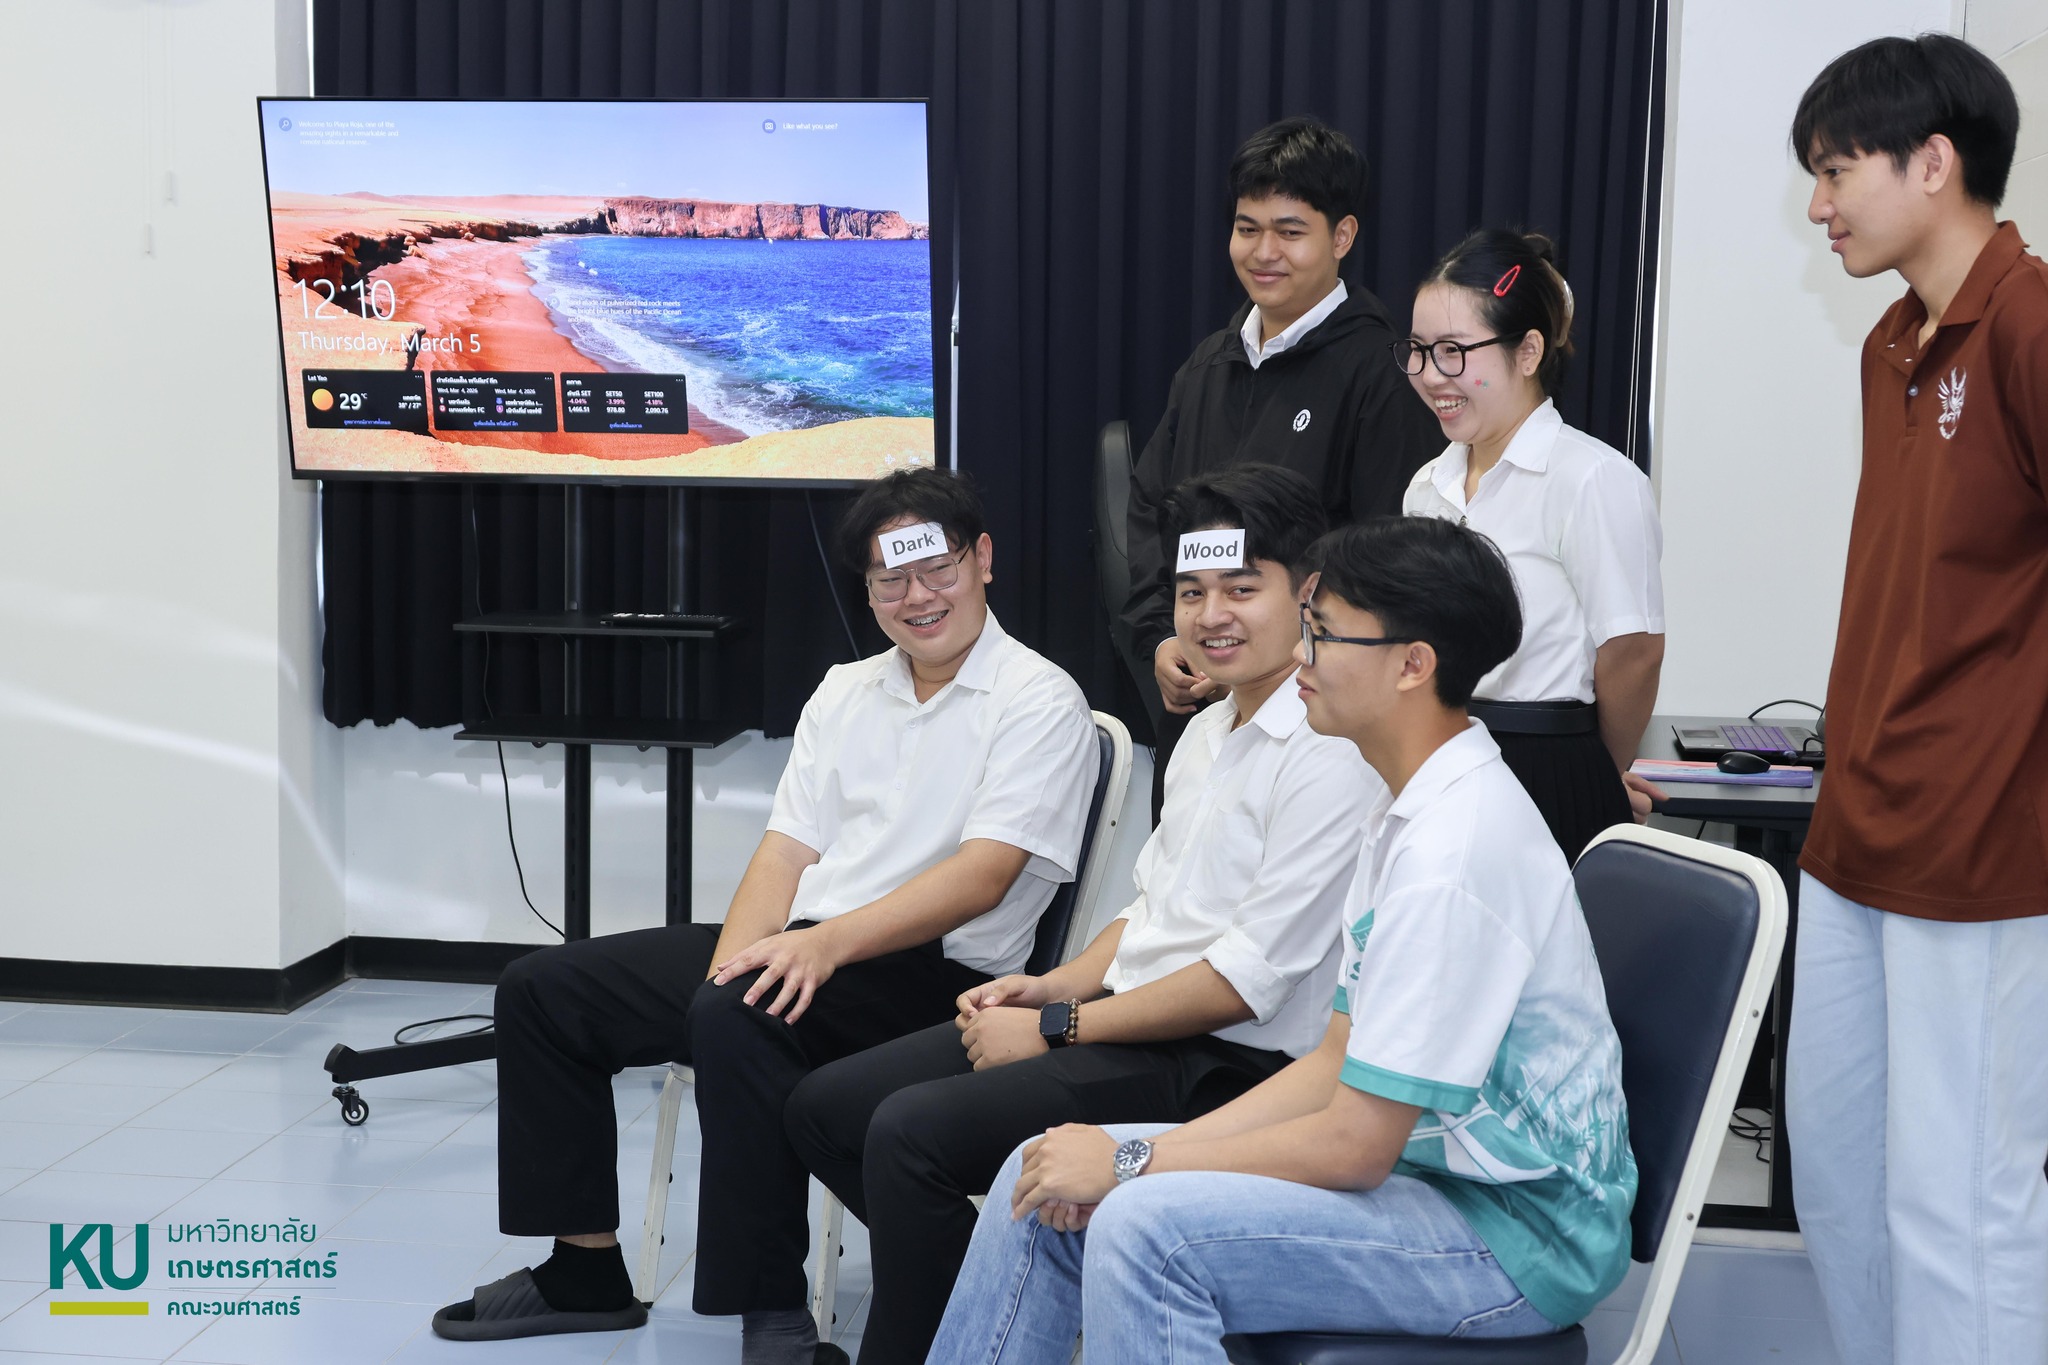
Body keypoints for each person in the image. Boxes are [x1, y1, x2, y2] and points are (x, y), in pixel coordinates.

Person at [929, 516, 1637, 1364]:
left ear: (1414, 664)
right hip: (1433, 1180)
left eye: (1324, 634)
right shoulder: (1406, 805)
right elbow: (1335, 1061)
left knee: (1145, 1228)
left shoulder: (1452, 853)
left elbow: (1357, 1145)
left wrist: (1132, 1161)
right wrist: (1127, 1154)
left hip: (1514, 1236)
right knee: (1039, 1169)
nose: (1301, 655)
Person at [431, 468, 1099, 1365]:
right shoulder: (845, 690)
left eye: (936, 569)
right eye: (890, 579)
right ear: (868, 590)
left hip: (937, 973)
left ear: (982, 559)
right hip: (812, 946)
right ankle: (582, 1269)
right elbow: (785, 852)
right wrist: (734, 962)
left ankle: (774, 1321)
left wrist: (808, 952)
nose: (917, 597)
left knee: (739, 1012)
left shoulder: (1038, 697)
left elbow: (984, 876)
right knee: (546, 989)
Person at [783, 465, 1376, 1365]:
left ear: (1308, 591)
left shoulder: (1329, 747)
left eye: (1240, 588)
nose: (1210, 614)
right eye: (1190, 591)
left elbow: (1243, 983)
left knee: (908, 1135)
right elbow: (1151, 910)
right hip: (1132, 1024)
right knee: (827, 1107)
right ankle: (990, 1306)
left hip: (1229, 1065)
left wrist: (1059, 1026)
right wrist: (1050, 985)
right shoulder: (1209, 730)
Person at [1785, 34, 2048, 1365]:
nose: (1817, 205)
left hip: (1983, 845)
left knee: (1963, 1204)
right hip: (1857, 826)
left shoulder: (2034, 324)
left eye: (1837, 171)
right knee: (1843, 1186)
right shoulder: (1893, 339)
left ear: (1932, 163)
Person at [1122, 116, 1441, 814]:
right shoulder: (1206, 367)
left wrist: (1279, 650)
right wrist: (1164, 638)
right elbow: (1149, 513)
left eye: (1290, 232)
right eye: (1248, 228)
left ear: (1342, 236)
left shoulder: (1381, 373)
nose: (1264, 252)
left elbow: (1387, 557)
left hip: (1317, 730)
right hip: (1201, 718)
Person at [1397, 229, 1667, 860]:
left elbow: (1633, 652)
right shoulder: (1426, 486)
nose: (1431, 375)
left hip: (1546, 764)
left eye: (1454, 352)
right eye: (1418, 351)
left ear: (1528, 351)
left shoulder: (1592, 478)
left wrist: (1600, 768)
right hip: (1439, 757)